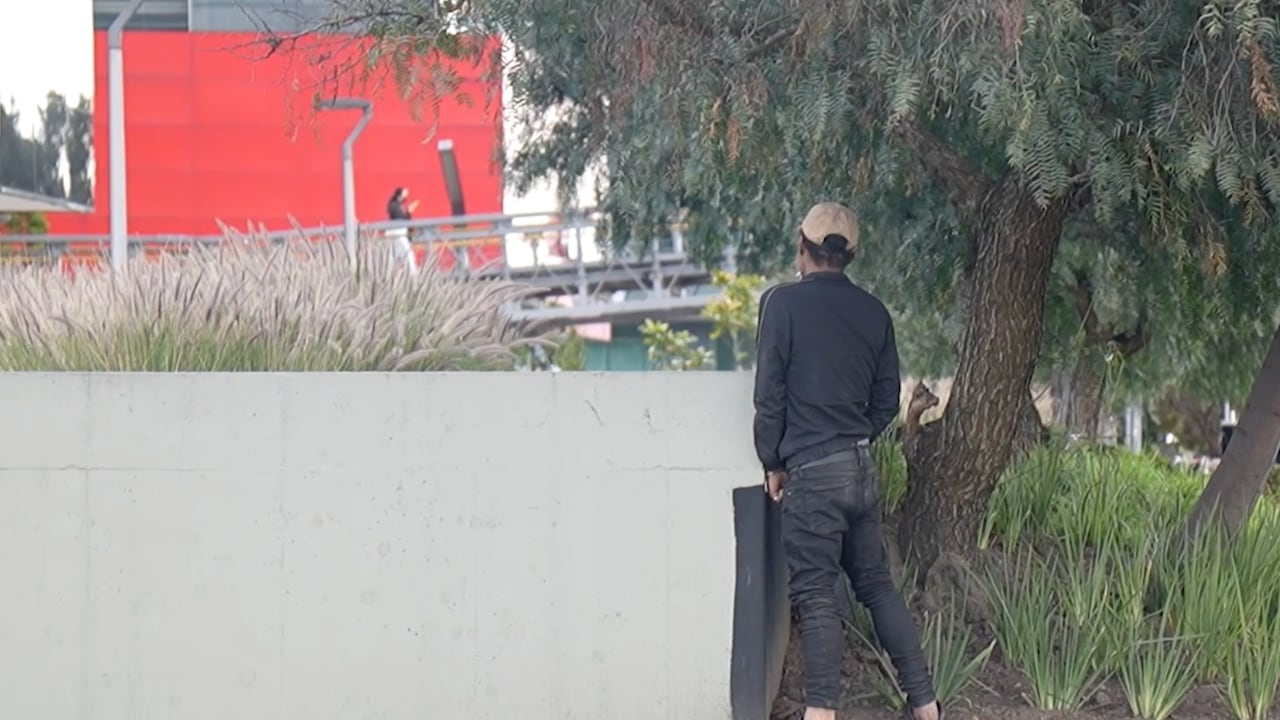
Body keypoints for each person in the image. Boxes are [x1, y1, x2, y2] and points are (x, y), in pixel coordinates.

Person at [753, 202, 943, 720]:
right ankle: (926, 706)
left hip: (811, 473)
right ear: (850, 255)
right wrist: (853, 438)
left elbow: (768, 395)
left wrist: (772, 460)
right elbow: (886, 401)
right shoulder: (874, 312)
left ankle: (821, 713)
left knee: (816, 595)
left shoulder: (781, 304)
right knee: (877, 587)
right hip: (860, 468)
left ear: (802, 246)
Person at [386, 187, 419, 274]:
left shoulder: (399, 205)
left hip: (400, 233)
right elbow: (400, 219)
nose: (406, 196)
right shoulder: (394, 206)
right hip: (397, 234)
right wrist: (408, 211)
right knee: (406, 255)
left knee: (398, 257)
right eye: (405, 194)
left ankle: (407, 273)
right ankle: (412, 273)